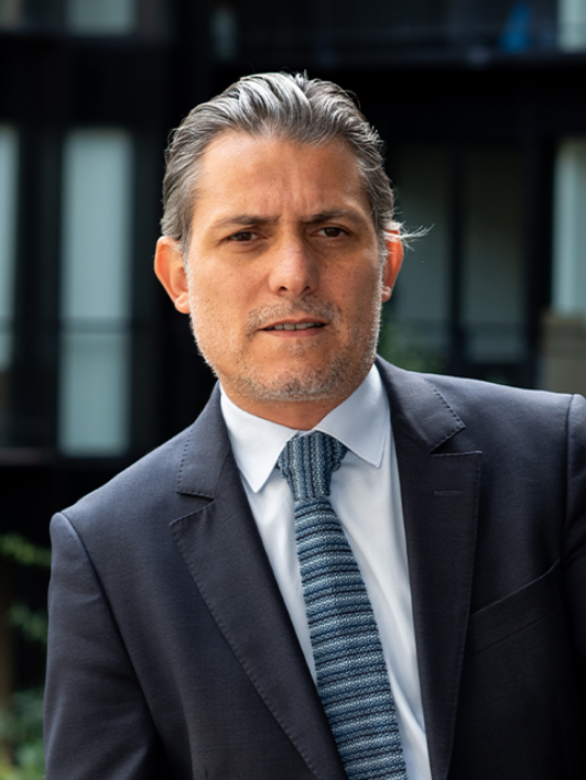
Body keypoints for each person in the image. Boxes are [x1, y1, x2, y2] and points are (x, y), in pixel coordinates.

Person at [44, 72, 586, 780]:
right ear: (177, 277)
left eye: (330, 231)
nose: (293, 274)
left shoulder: (553, 458)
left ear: (387, 263)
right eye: (246, 236)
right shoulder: (108, 552)